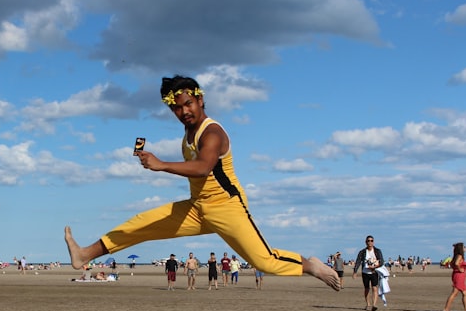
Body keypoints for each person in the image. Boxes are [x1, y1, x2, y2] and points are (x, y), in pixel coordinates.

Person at [63, 76, 339, 291]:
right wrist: (154, 160)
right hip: (198, 209)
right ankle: (85, 253)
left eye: (188, 104)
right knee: (141, 224)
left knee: (264, 261)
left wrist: (161, 165)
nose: (184, 111)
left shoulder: (213, 132)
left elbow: (204, 167)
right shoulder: (188, 132)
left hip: (227, 208)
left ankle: (310, 265)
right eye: (177, 107)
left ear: (200, 100)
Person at [442, 242, 466, 311]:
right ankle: (446, 309)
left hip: (458, 275)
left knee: (465, 293)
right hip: (459, 275)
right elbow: (456, 263)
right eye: (464, 247)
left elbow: (453, 264)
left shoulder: (457, 256)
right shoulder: (459, 256)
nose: (465, 248)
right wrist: (459, 269)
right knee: (455, 292)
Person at [353, 235, 383, 311]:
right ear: (366, 242)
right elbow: (358, 261)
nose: (370, 242)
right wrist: (355, 271)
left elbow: (381, 261)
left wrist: (375, 266)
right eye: (368, 241)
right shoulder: (362, 252)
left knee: (374, 288)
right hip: (365, 272)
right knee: (366, 288)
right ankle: (368, 304)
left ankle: (374, 304)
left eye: (371, 240)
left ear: (373, 242)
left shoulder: (377, 251)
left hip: (374, 272)